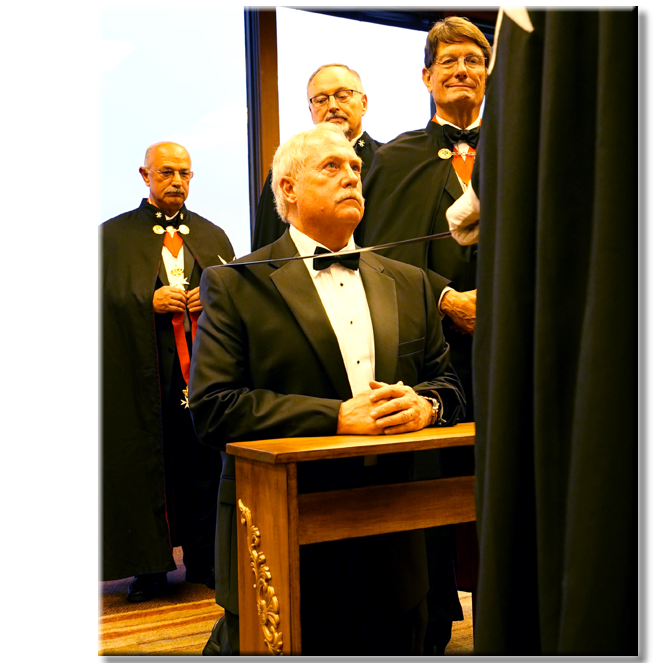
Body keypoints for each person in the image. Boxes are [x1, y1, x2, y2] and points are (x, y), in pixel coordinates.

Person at [189, 123, 466, 655]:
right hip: (282, 543)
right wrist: (336, 417)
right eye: (331, 167)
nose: (352, 177)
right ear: (288, 188)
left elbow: (449, 384)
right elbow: (214, 408)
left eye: (355, 168)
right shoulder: (234, 284)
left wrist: (426, 407)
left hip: (395, 545)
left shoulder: (409, 281)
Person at [356, 15, 491, 652]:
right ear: (426, 76)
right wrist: (445, 298)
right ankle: (431, 622)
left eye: (473, 61)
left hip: (517, 354)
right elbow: (380, 253)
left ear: (488, 74)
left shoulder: (523, 150)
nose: (461, 71)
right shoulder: (393, 159)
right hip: (432, 359)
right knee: (429, 488)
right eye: (449, 62)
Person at [101, 141, 235, 602]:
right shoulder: (112, 237)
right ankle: (149, 569)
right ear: (145, 175)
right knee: (146, 465)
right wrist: (146, 300)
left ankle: (205, 558)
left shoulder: (213, 235)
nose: (177, 181)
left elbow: (237, 295)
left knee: (202, 464)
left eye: (184, 173)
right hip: (144, 374)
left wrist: (210, 297)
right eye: (166, 172)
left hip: (202, 374)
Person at [251, 63, 383, 251]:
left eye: (342, 96)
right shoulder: (289, 166)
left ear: (364, 103)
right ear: (311, 112)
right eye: (321, 100)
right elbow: (268, 246)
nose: (333, 106)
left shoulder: (387, 162)